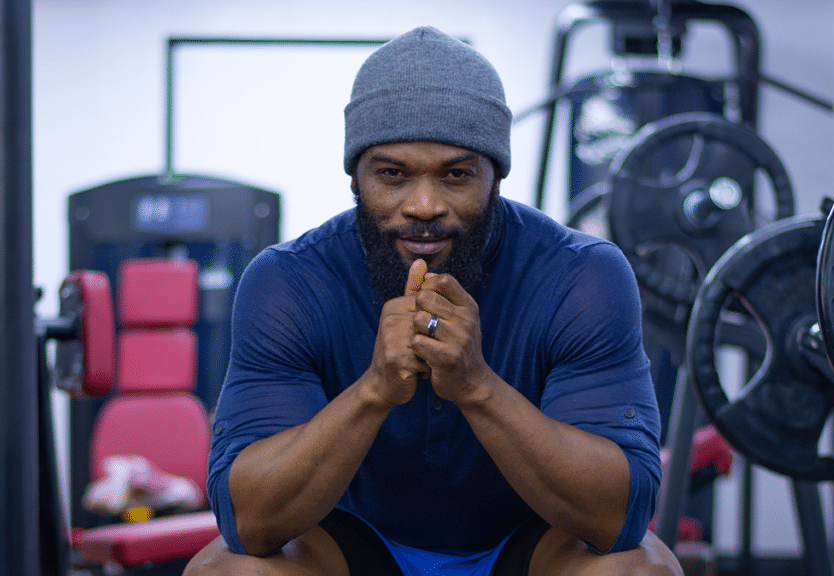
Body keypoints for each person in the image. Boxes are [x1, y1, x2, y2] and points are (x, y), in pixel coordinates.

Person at [185, 25, 683, 576]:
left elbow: (621, 519)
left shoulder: (581, 275)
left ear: (496, 176)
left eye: (457, 175)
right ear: (355, 175)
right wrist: (374, 391)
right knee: (228, 571)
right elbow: (248, 524)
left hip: (529, 543)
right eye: (392, 174)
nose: (424, 205)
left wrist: (477, 387)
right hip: (356, 545)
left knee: (638, 569)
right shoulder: (290, 281)